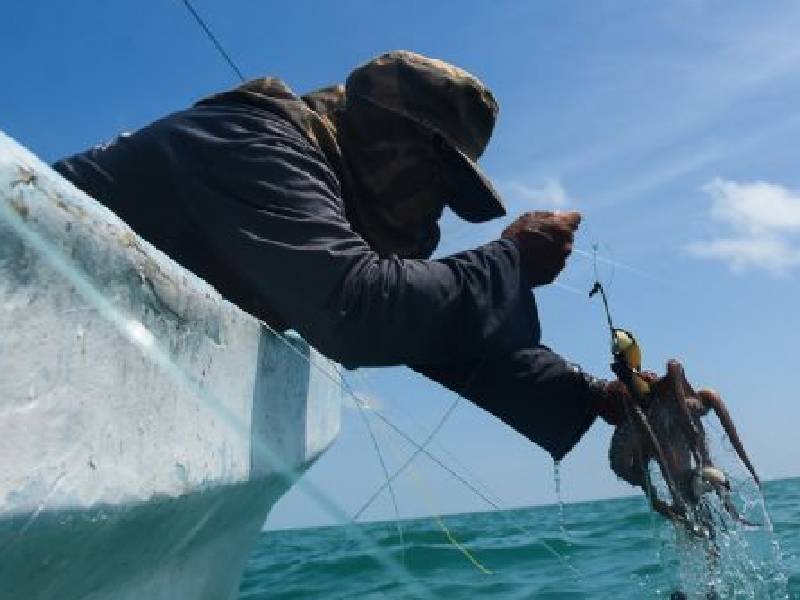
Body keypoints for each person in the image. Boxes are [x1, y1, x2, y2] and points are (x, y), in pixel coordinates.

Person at [54, 50, 628, 461]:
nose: (435, 213)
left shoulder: (318, 203)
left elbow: (439, 337)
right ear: (381, 135)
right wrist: (512, 263)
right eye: (435, 179)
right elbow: (356, 311)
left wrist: (602, 400)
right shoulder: (251, 142)